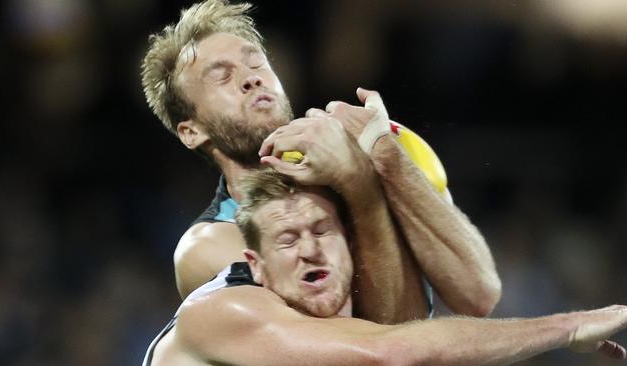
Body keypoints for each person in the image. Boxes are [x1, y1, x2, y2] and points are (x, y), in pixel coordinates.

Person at [140, 0, 500, 322]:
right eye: (222, 76)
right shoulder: (210, 245)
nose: (250, 79)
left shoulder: (381, 149)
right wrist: (362, 186)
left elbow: (479, 295)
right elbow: (370, 350)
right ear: (191, 131)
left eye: (257, 64)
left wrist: (388, 159)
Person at [143, 169, 627, 366]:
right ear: (257, 265)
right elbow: (391, 352)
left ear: (351, 245)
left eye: (323, 230)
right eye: (287, 240)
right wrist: (570, 325)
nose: (310, 250)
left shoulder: (329, 328)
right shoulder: (223, 310)